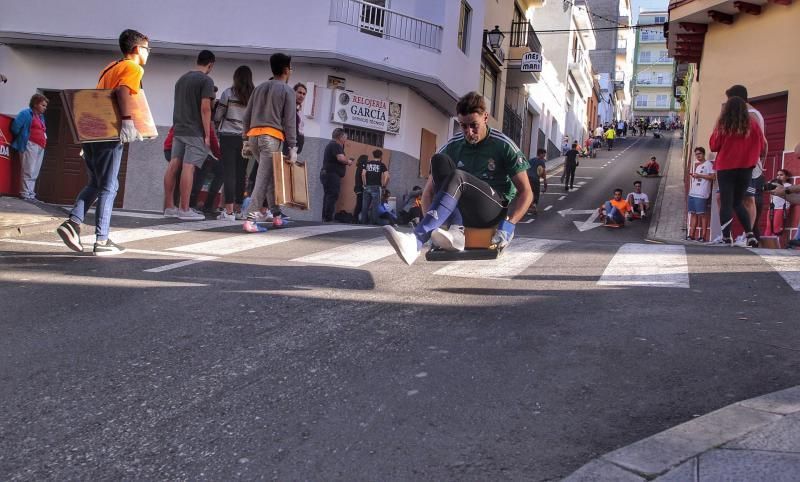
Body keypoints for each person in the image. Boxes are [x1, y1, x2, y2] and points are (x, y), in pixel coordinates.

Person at [382, 91, 533, 265]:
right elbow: (428, 192)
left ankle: (416, 240)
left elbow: (526, 192)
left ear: (485, 117)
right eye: (463, 126)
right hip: (463, 211)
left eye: (473, 125)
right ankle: (455, 231)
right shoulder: (453, 145)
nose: (469, 132)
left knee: (459, 176)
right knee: (438, 160)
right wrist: (433, 227)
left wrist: (509, 225)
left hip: (492, 211)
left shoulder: (503, 145)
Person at [56, 29, 149, 256]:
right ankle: (102, 240)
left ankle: (73, 223)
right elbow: (123, 92)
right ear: (137, 49)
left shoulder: (110, 67)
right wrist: (127, 122)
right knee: (109, 186)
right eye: (148, 49)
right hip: (109, 132)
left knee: (96, 183)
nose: (149, 53)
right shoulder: (133, 67)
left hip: (93, 133)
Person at [240, 52, 298, 232]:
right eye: (291, 67)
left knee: (270, 177)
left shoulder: (259, 88)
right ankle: (250, 219)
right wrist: (293, 146)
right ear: (286, 69)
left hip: (254, 136)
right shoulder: (287, 90)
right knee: (263, 178)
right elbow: (289, 121)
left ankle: (277, 215)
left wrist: (245, 139)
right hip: (271, 138)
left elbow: (246, 116)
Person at [163, 49, 216, 221]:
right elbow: (205, 108)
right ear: (210, 65)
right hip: (194, 130)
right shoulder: (206, 80)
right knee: (189, 167)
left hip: (178, 128)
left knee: (173, 164)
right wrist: (207, 135)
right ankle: (184, 209)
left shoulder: (182, 79)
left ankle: (169, 207)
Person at [709, 96, 766, 247]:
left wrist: (717, 123)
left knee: (727, 202)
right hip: (746, 169)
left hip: (726, 168)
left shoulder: (724, 125)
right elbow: (761, 146)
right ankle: (750, 234)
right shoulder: (753, 125)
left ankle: (726, 237)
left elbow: (713, 146)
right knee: (738, 202)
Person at [726, 85, 768, 240]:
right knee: (743, 199)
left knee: (748, 199)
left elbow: (762, 141)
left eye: (729, 99)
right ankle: (744, 234)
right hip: (746, 162)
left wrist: (759, 163)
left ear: (736, 99)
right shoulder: (751, 113)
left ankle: (747, 234)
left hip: (747, 163)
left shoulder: (750, 114)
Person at [215, 65, 254, 221]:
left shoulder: (228, 93)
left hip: (228, 136)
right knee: (241, 173)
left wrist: (217, 123)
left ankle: (229, 211)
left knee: (229, 173)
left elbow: (218, 115)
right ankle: (238, 209)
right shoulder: (254, 96)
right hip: (245, 139)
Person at [11, 93, 48, 201]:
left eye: (45, 106)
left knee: (35, 171)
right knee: (28, 170)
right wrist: (23, 137)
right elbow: (15, 127)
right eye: (43, 105)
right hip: (29, 144)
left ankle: (31, 193)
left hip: (40, 146)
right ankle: (25, 193)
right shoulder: (25, 113)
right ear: (36, 104)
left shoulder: (41, 117)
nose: (45, 108)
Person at [320, 128, 353, 222]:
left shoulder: (331, 145)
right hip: (332, 174)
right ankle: (328, 218)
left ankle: (325, 217)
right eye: (345, 137)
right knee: (332, 195)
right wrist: (348, 161)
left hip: (327, 173)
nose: (346, 139)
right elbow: (341, 158)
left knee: (328, 195)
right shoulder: (336, 145)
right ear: (341, 137)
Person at [687, 147, 715, 241]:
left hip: (702, 193)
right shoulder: (698, 166)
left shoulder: (709, 164)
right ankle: (691, 235)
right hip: (693, 192)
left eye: (699, 154)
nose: (698, 156)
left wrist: (699, 175)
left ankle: (703, 236)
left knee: (702, 215)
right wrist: (695, 176)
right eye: (696, 154)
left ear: (703, 154)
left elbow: (713, 177)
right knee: (693, 214)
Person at [361, 149, 389, 224]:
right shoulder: (381, 165)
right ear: (380, 156)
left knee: (365, 205)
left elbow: (363, 174)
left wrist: (364, 184)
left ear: (373, 155)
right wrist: (384, 186)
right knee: (375, 206)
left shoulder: (367, 163)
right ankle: (372, 223)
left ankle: (363, 222)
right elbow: (387, 176)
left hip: (367, 186)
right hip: (376, 187)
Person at [764, 169, 792, 237]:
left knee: (776, 227)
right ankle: (765, 245)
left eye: (781, 175)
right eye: (778, 175)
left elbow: (791, 197)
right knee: (768, 226)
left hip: (782, 208)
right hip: (772, 208)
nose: (779, 176)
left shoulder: (788, 185)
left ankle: (774, 246)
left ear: (787, 177)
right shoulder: (774, 184)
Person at [527, 148, 547, 214]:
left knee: (529, 193)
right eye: (543, 155)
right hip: (535, 180)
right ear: (540, 154)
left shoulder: (531, 160)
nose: (544, 157)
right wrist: (545, 182)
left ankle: (528, 206)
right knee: (536, 193)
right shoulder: (541, 162)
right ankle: (534, 207)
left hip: (528, 179)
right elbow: (543, 173)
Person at [353, 154, 368, 222]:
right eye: (367, 159)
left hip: (357, 187)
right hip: (360, 187)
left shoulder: (358, 167)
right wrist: (365, 185)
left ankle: (356, 218)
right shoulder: (363, 166)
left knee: (359, 203)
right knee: (360, 204)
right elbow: (363, 175)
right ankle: (355, 218)